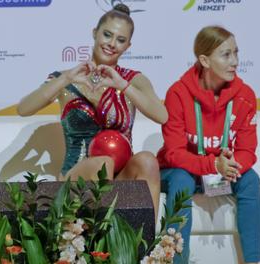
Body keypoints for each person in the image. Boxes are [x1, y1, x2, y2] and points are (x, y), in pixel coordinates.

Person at [17, 4, 167, 219]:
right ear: (94, 33)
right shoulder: (66, 78)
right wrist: (66, 78)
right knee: (102, 163)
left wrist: (122, 86)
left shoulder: (133, 80)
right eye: (107, 35)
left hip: (121, 177)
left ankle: (149, 246)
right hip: (77, 177)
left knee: (147, 161)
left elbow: (162, 116)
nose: (112, 44)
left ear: (128, 46)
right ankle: (99, 242)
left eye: (120, 40)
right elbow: (24, 109)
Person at [157, 25, 260, 263]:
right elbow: (174, 154)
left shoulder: (245, 95)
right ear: (204, 60)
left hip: (216, 176)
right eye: (226, 55)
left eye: (236, 53)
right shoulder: (177, 93)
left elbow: (247, 150)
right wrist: (213, 164)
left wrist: (232, 164)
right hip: (180, 172)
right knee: (183, 178)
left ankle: (253, 261)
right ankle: (176, 260)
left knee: (250, 179)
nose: (234, 61)